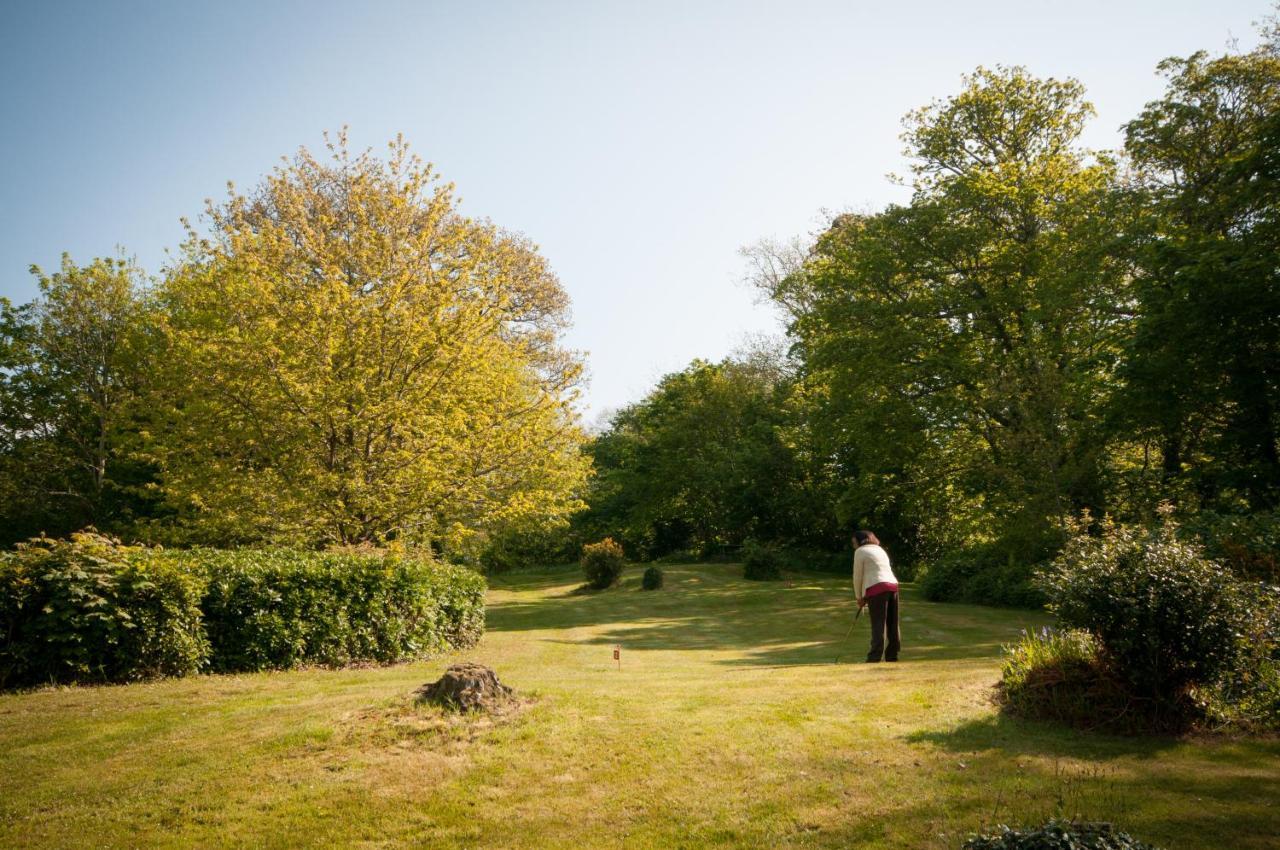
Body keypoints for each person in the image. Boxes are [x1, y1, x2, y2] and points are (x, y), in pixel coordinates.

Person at [853, 530, 900, 663]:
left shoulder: (860, 552)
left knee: (878, 623)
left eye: (854, 542)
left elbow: (858, 576)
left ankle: (874, 656)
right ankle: (892, 655)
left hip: (877, 587)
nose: (853, 545)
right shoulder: (880, 550)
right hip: (893, 585)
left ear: (859, 541)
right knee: (892, 623)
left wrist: (859, 597)